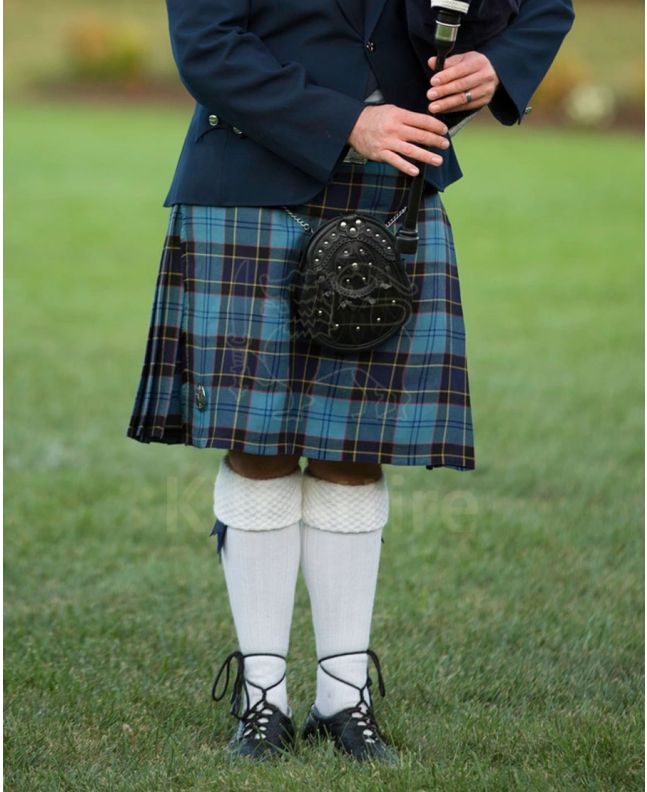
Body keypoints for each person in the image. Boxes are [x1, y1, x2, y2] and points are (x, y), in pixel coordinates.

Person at [127, 0, 574, 763]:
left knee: (351, 447)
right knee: (255, 441)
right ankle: (262, 698)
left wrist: (499, 64)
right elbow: (205, 43)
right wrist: (344, 122)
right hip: (249, 177)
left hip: (392, 190)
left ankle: (343, 699)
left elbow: (542, 7)